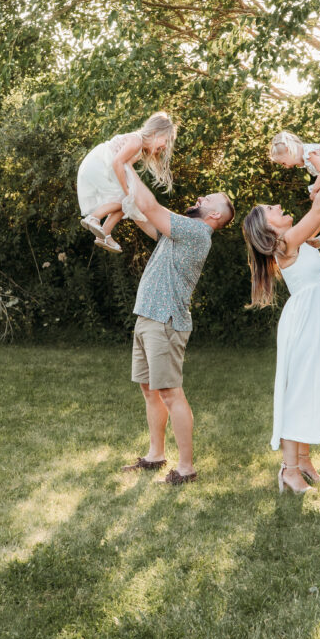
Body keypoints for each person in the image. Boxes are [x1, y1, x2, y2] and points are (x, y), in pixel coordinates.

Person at [242, 176, 320, 494]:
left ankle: (304, 462)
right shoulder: (287, 242)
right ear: (267, 227)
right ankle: (290, 471)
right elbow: (319, 209)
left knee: (313, 387)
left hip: (317, 315)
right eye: (271, 209)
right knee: (299, 393)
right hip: (306, 320)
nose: (278, 205)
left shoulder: (297, 240)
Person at [120, 160, 235, 485]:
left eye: (208, 199)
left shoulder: (197, 231)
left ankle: (186, 469)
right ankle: (156, 455)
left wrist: (126, 164)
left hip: (166, 322)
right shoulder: (180, 231)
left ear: (215, 215)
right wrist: (122, 187)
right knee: (150, 390)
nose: (200, 198)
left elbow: (150, 206)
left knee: (170, 393)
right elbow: (144, 216)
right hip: (148, 316)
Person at [77, 111, 176, 253]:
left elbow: (123, 166)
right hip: (99, 165)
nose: (165, 146)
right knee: (127, 198)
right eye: (165, 140)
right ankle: (94, 218)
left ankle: (104, 234)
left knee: (128, 202)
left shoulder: (139, 148)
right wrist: (126, 190)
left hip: (99, 166)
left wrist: (129, 194)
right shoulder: (136, 141)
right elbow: (117, 162)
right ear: (155, 133)